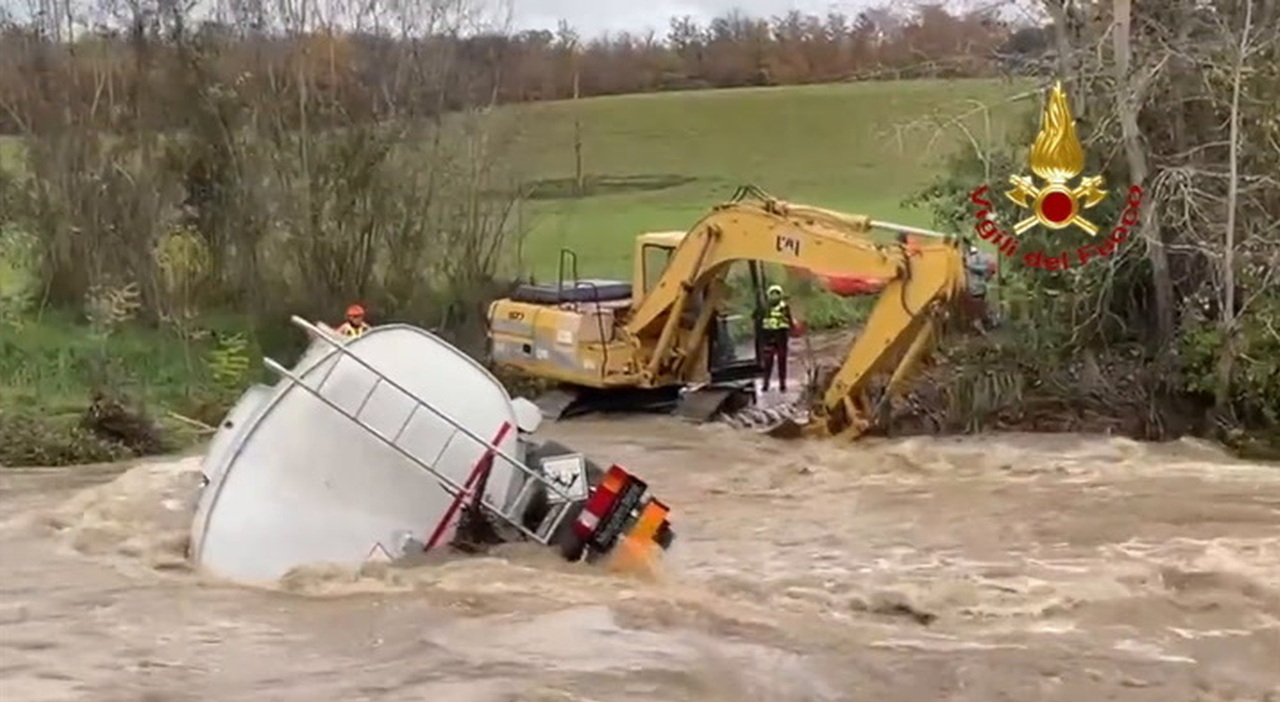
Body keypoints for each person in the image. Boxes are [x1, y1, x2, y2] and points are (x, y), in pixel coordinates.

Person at [757, 284, 794, 393]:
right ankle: (766, 384)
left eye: (776, 294)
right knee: (768, 362)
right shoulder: (764, 308)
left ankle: (781, 384)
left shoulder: (784, 307)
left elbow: (789, 320)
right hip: (769, 336)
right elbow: (758, 321)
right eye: (772, 294)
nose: (774, 296)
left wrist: (792, 329)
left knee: (781, 361)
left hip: (780, 336)